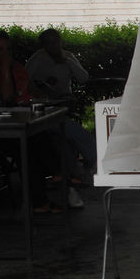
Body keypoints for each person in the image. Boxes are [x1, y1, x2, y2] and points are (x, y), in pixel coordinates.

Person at [0, 29, 60, 212]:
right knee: (27, 146)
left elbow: (34, 91)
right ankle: (46, 192)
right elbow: (6, 99)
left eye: (8, 49)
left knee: (42, 135)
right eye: (0, 49)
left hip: (24, 121)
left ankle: (57, 178)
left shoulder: (19, 69)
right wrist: (6, 70)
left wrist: (39, 96)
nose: (5, 54)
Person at [27, 28, 97, 182]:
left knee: (65, 131)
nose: (53, 45)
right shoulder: (38, 58)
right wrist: (41, 86)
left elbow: (83, 78)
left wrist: (68, 62)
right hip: (44, 106)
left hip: (64, 102)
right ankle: (81, 166)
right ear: (43, 45)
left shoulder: (68, 56)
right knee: (63, 134)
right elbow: (25, 79)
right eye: (49, 42)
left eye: (56, 41)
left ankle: (79, 167)